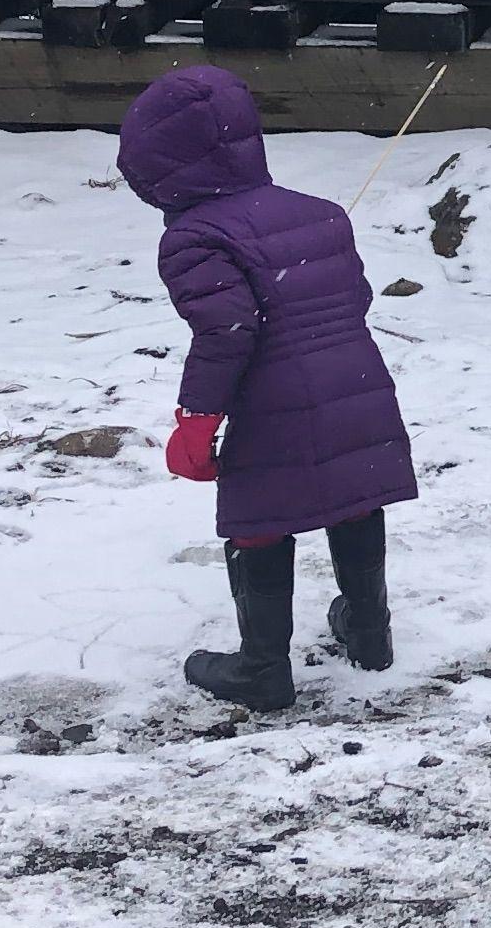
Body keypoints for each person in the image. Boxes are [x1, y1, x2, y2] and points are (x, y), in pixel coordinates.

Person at [115, 63, 419, 712]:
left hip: (276, 402)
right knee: (355, 495)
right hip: (358, 383)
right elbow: (354, 298)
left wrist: (196, 420)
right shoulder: (322, 215)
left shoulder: (194, 238)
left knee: (258, 523)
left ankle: (262, 670)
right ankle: (370, 634)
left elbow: (228, 331)